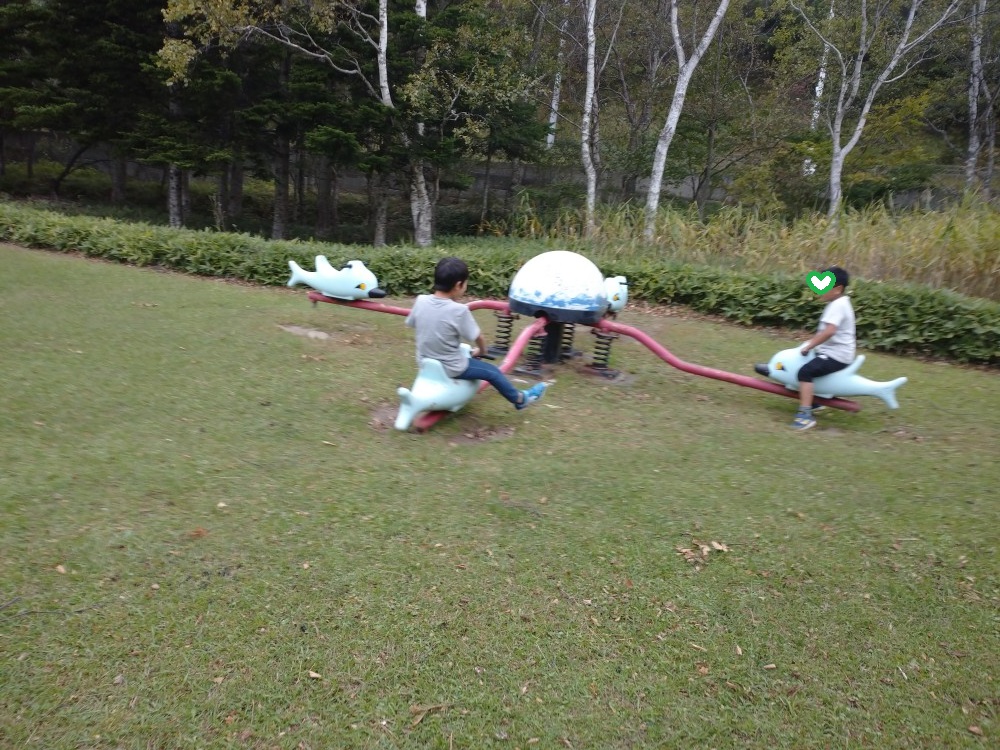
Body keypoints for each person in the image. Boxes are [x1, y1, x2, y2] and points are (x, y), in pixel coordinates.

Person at [405, 257, 548, 410]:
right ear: (458, 285)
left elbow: (412, 324)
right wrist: (482, 351)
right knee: (492, 372)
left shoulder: (421, 301)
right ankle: (520, 399)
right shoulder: (459, 311)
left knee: (463, 351)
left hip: (424, 363)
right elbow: (478, 337)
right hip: (451, 367)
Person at [791, 266, 855, 431]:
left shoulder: (837, 305)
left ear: (838, 289)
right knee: (808, 366)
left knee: (805, 372)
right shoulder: (840, 302)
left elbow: (829, 331)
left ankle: (805, 415)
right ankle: (815, 401)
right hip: (836, 352)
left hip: (837, 355)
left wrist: (810, 345)